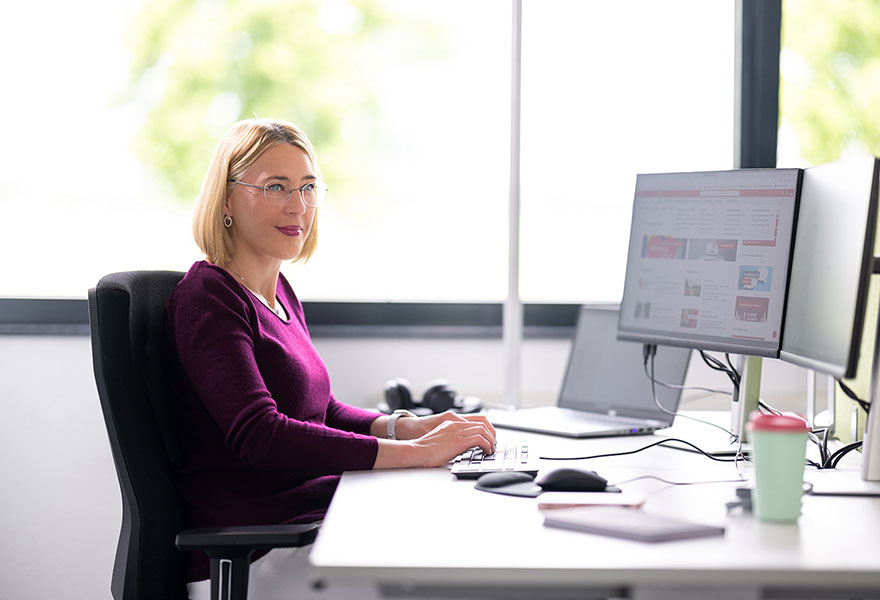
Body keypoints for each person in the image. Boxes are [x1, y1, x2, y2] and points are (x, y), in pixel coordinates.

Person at [165, 118, 496, 591]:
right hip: (264, 545)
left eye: (307, 187)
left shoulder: (278, 292)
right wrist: (416, 453)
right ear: (227, 199)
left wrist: (407, 427)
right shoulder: (209, 297)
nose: (298, 206)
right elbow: (262, 435)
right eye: (276, 187)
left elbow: (320, 411)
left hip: (311, 518)